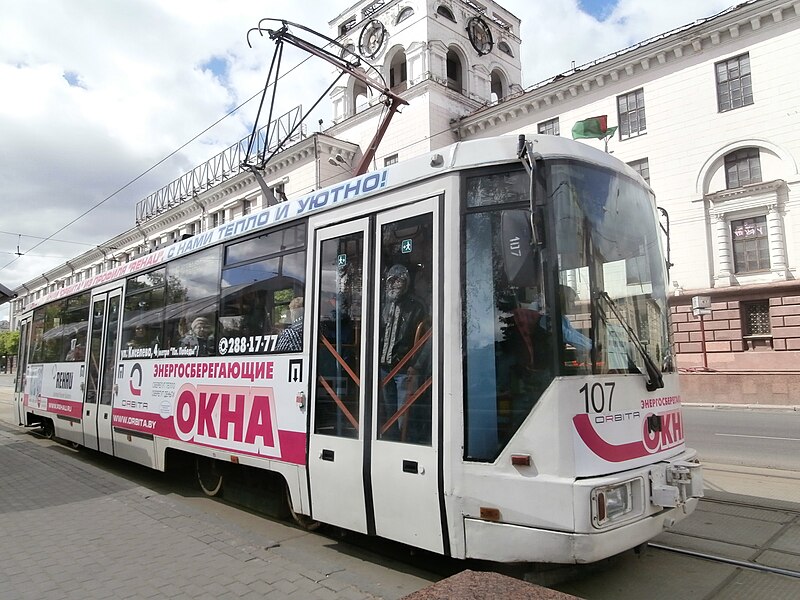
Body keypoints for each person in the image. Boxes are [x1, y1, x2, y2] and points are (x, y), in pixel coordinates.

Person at [378, 264, 427, 440]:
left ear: (406, 283)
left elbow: (424, 339)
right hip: (384, 367)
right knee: (388, 409)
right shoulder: (381, 306)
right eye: (391, 280)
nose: (395, 284)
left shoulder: (416, 307)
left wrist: (416, 365)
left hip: (404, 367)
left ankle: (405, 442)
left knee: (403, 413)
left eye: (400, 280)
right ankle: (391, 442)